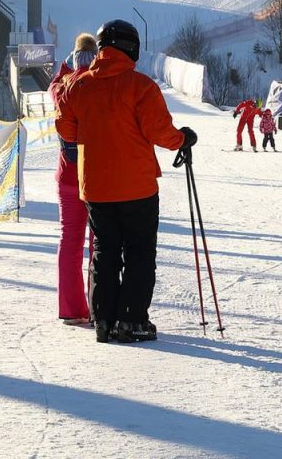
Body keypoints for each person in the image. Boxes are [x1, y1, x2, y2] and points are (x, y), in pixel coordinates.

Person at [55, 19, 195, 344]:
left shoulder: (77, 86)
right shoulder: (141, 86)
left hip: (96, 188)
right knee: (139, 252)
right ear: (131, 48)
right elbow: (160, 132)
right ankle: (131, 321)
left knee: (104, 251)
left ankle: (103, 320)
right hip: (137, 187)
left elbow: (66, 130)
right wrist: (182, 140)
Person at [50, 33, 98, 324]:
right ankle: (98, 305)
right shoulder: (98, 86)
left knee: (69, 239)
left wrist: (68, 66)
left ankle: (70, 308)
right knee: (99, 241)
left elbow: (58, 79)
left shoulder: (60, 86)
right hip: (95, 174)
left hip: (67, 174)